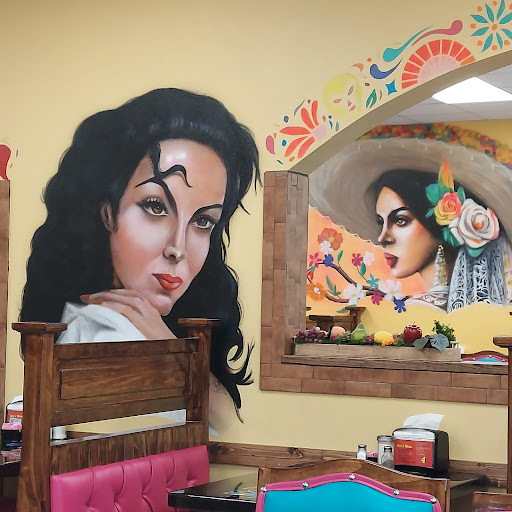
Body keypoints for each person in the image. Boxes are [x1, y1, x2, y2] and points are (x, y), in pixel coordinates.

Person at [20, 88, 260, 424]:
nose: (177, 248)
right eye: (155, 207)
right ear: (108, 213)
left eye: (203, 221)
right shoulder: (105, 334)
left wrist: (166, 342)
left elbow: (229, 428)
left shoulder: (155, 332)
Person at [309, 135, 512, 312]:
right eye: (381, 221)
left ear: (439, 225)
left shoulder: (427, 309)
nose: (382, 237)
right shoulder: (424, 306)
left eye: (400, 220)